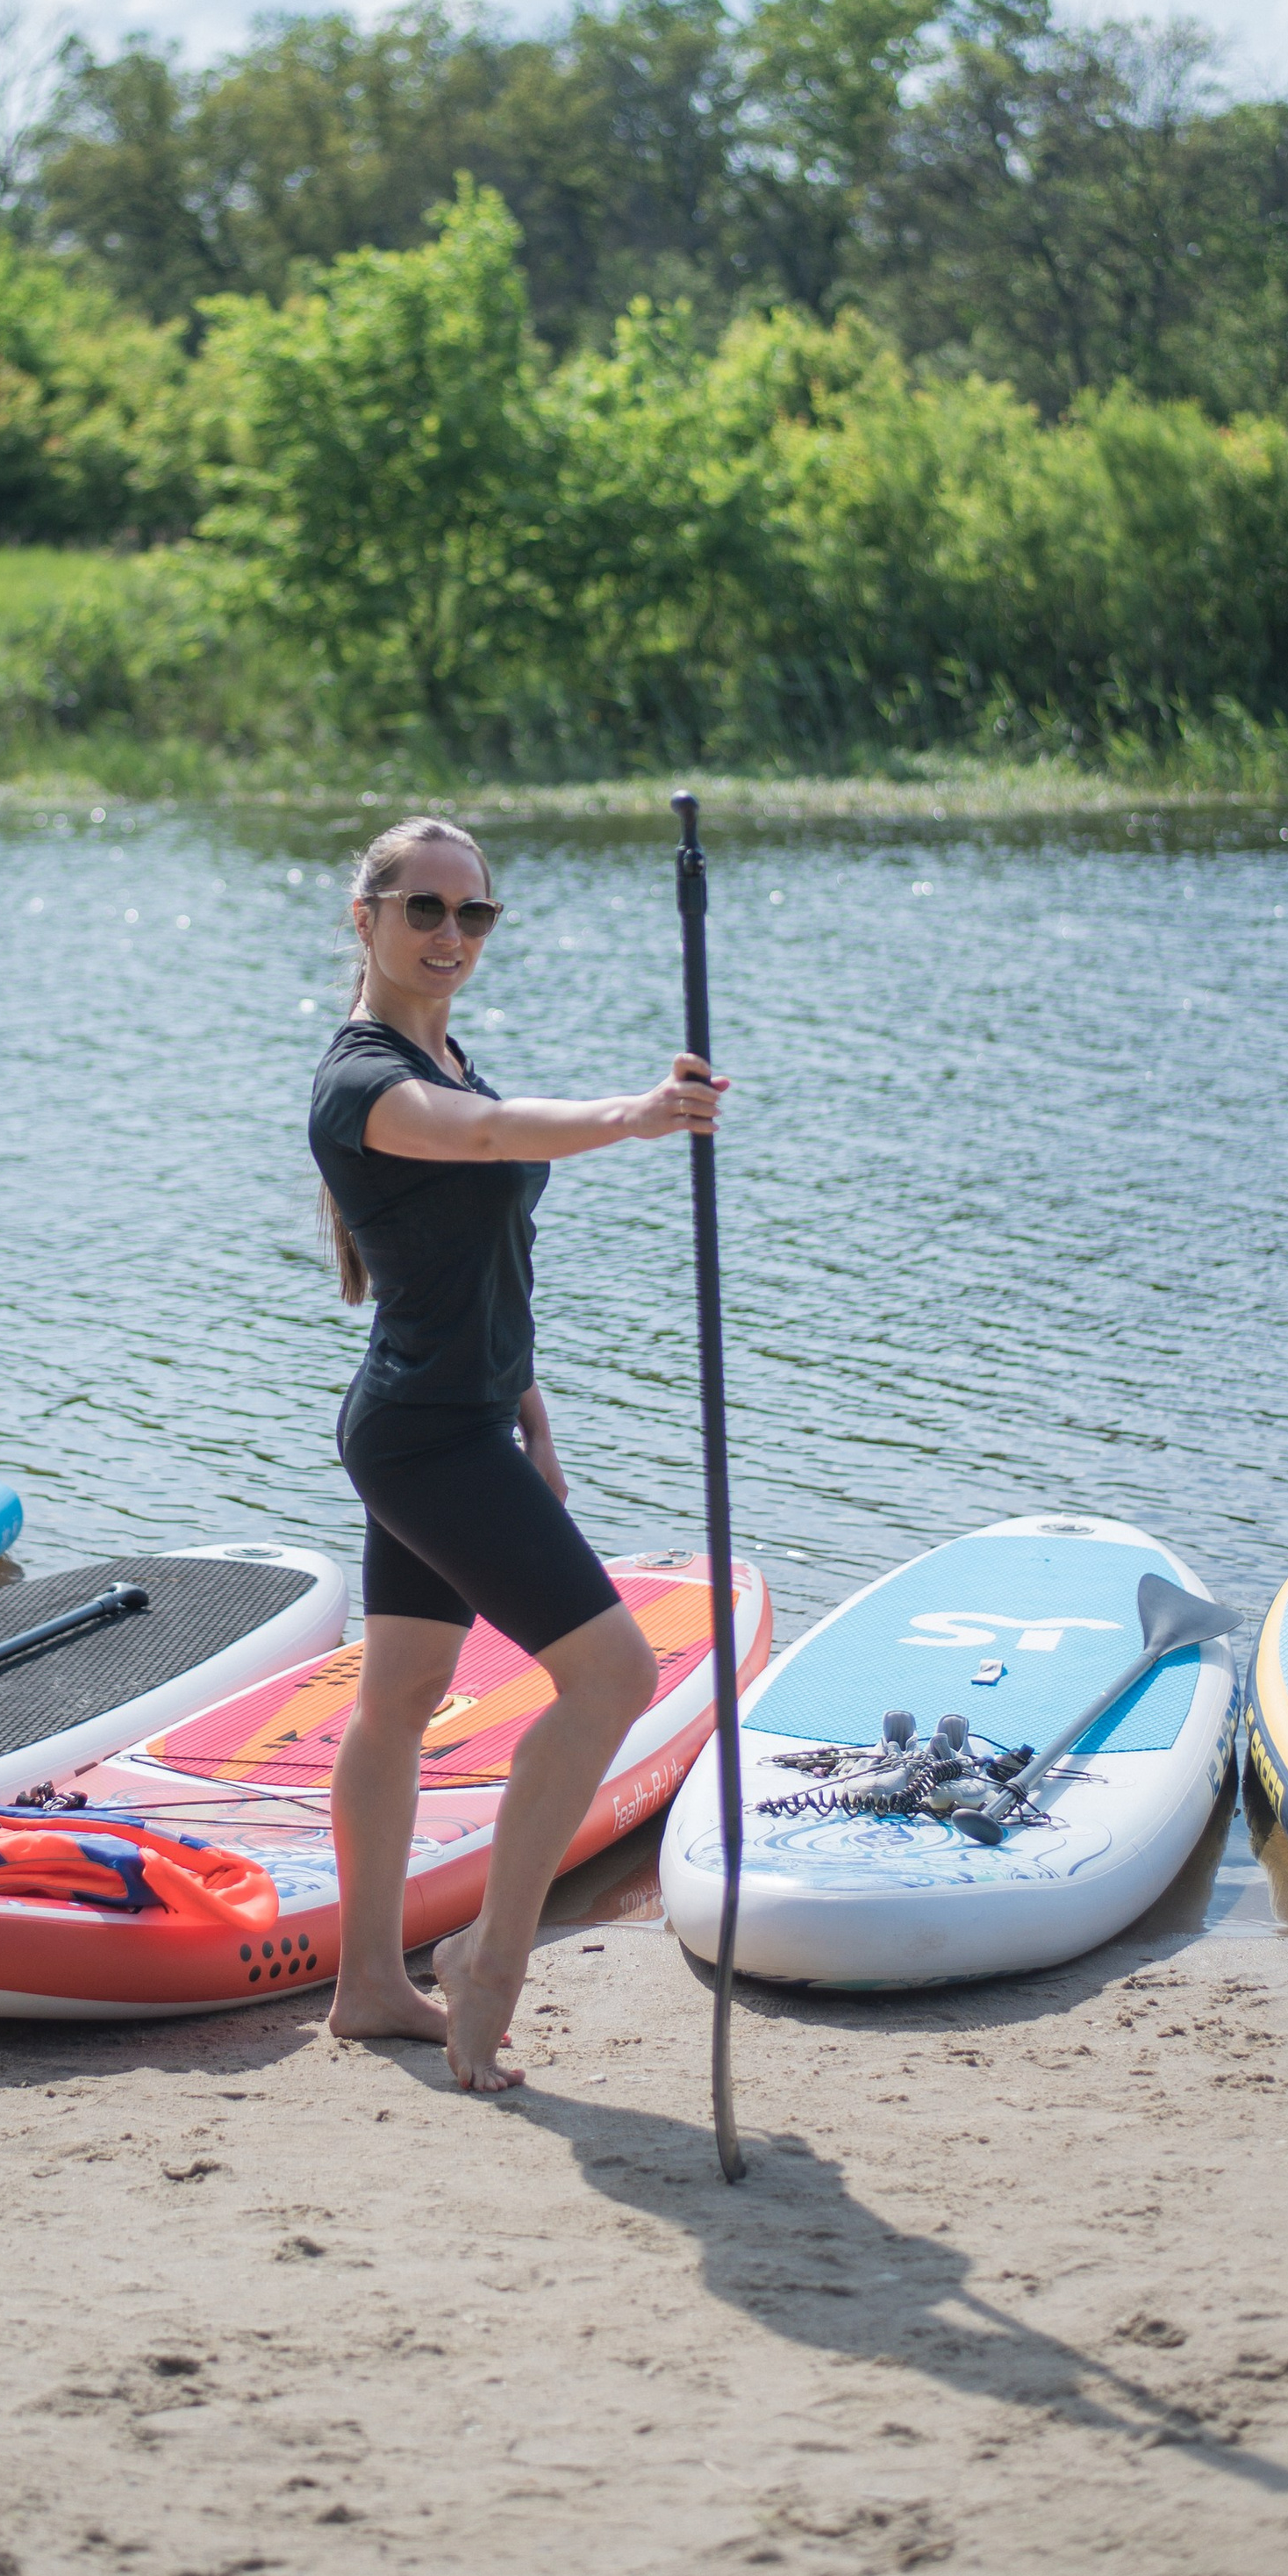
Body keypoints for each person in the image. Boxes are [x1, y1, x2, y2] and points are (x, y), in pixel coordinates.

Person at [308, 813, 726, 2092]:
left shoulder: (447, 1054)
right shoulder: (365, 1080)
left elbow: (469, 1266)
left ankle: (370, 1985)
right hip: (425, 1442)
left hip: (452, 1418)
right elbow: (487, 1144)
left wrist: (531, 1402)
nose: (450, 935)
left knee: (397, 1704)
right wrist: (638, 1115)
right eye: (425, 909)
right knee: (610, 1675)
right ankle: (492, 1951)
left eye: (473, 913)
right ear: (365, 918)